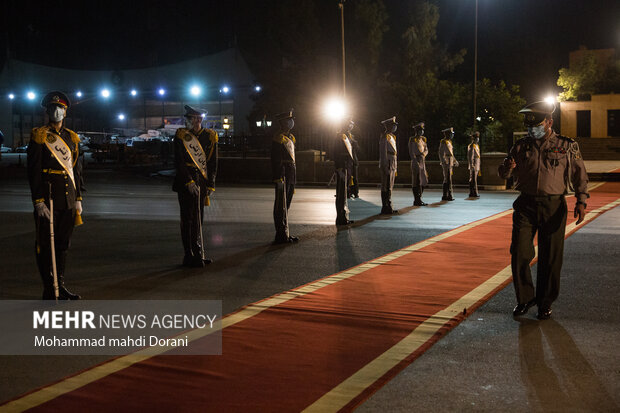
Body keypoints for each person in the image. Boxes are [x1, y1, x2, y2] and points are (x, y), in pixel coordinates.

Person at [498, 101, 588, 320]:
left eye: (536, 124)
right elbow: (504, 174)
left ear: (549, 122)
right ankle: (525, 298)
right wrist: (507, 169)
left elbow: (579, 174)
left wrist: (581, 202)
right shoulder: (520, 146)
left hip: (554, 205)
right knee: (519, 252)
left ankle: (544, 303)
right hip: (526, 205)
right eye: (529, 126)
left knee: (550, 258)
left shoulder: (567, 145)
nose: (531, 129)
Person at [27, 91, 83, 300]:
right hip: (49, 198)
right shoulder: (40, 136)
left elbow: (76, 171)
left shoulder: (71, 137)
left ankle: (60, 284)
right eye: (52, 108)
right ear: (48, 112)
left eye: (60, 108)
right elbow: (33, 171)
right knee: (45, 243)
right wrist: (38, 201)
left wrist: (78, 198)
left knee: (62, 244)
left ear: (65, 112)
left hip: (67, 198)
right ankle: (49, 288)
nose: (56, 111)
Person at [172, 105, 218, 267]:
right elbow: (179, 161)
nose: (187, 122)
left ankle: (198, 253)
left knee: (199, 218)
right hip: (186, 183)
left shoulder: (210, 136)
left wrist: (210, 185)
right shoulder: (181, 136)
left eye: (190, 119)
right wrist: (188, 181)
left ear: (198, 120)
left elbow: (212, 163)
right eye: (188, 119)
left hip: (202, 182)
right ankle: (188, 255)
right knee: (187, 218)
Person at [271, 109, 299, 244]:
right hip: (283, 175)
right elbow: (276, 160)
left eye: (291, 119)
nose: (291, 122)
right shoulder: (278, 138)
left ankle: (286, 232)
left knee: (286, 205)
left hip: (290, 174)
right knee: (280, 206)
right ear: (282, 122)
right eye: (288, 120)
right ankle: (280, 234)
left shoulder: (290, 137)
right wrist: (279, 177)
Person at [334, 118, 355, 225]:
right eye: (349, 123)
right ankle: (340, 217)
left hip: (348, 166)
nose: (351, 125)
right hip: (342, 166)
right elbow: (336, 154)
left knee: (345, 192)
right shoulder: (339, 136)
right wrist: (339, 168)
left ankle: (344, 216)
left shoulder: (348, 136)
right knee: (340, 193)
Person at [379, 116, 399, 214]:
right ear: (388, 126)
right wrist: (384, 165)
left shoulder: (392, 137)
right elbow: (383, 153)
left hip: (392, 162)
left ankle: (389, 205)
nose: (394, 127)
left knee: (390, 185)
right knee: (385, 185)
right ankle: (385, 206)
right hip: (387, 163)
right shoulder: (384, 136)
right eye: (393, 125)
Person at [408, 122, 429, 206]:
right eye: (420, 130)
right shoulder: (412, 139)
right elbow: (411, 151)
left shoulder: (423, 139)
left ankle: (419, 197)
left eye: (422, 130)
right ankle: (416, 200)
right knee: (416, 181)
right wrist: (415, 160)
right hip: (416, 160)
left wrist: (424, 154)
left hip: (422, 160)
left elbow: (426, 149)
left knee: (424, 180)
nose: (421, 132)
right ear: (416, 131)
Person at [438, 127, 459, 201]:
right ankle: (446, 195)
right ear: (447, 134)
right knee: (447, 178)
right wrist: (443, 161)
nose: (452, 135)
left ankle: (448, 195)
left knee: (449, 178)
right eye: (451, 134)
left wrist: (454, 160)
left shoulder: (449, 142)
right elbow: (440, 153)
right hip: (446, 161)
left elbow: (451, 153)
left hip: (450, 160)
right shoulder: (443, 141)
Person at [467, 131, 481, 198]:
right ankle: (473, 192)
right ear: (474, 139)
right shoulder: (472, 146)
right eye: (476, 138)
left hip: (477, 163)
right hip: (474, 164)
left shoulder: (476, 146)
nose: (477, 139)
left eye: (478, 137)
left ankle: (474, 192)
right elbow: (470, 156)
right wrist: (471, 164)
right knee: (473, 179)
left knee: (474, 179)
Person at [348, 133, 361, 199]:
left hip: (354, 161)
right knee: (348, 177)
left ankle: (355, 192)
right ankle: (348, 192)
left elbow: (358, 149)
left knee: (355, 178)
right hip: (348, 161)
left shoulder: (354, 143)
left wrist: (353, 143)